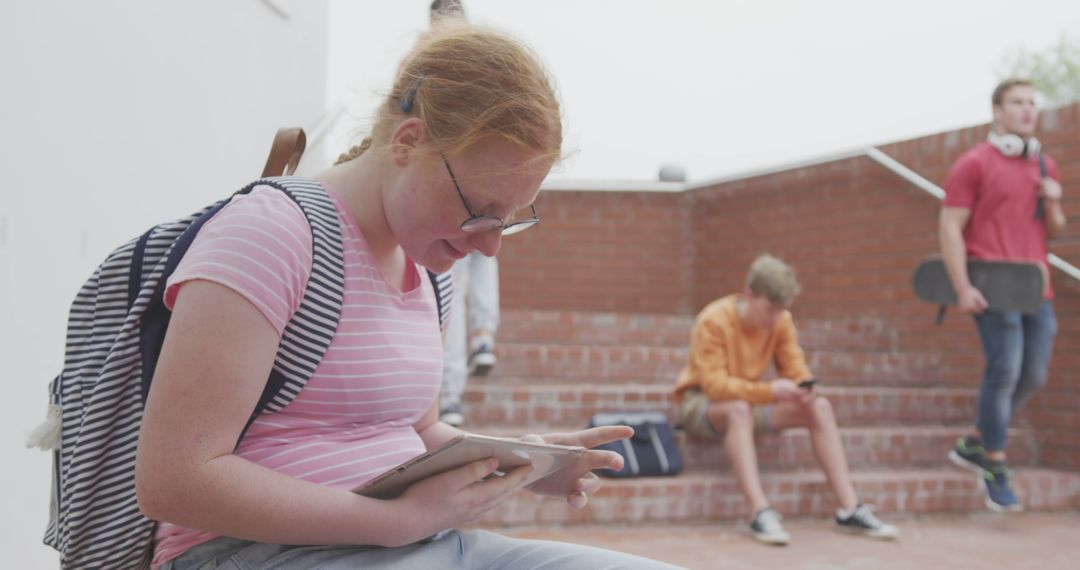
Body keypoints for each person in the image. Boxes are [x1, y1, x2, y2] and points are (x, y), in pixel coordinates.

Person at [135, 25, 679, 570]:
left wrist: (518, 462)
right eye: (480, 211)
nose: (489, 247)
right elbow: (175, 480)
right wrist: (396, 523)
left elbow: (416, 432)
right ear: (407, 142)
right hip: (256, 552)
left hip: (420, 546)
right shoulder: (270, 233)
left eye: (509, 221)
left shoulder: (426, 260)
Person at [673, 255, 899, 545]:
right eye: (770, 309)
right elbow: (715, 387)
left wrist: (804, 387)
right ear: (748, 294)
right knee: (738, 410)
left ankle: (850, 508)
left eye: (782, 310)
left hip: (749, 400)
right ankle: (760, 512)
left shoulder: (781, 321)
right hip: (701, 404)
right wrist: (770, 391)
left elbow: (794, 367)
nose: (775, 318)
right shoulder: (714, 319)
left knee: (819, 407)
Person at [940, 78, 1065, 513]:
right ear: (997, 111)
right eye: (1017, 103)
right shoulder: (973, 164)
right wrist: (962, 286)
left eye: (1032, 102)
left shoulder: (1045, 166)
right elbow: (950, 227)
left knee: (1034, 374)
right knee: (1005, 368)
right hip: (991, 286)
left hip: (1037, 287)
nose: (1028, 110)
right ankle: (994, 463)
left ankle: (975, 440)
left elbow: (1056, 231)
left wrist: (1053, 201)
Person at [423, 0, 503, 429]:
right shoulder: (479, 61)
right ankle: (483, 338)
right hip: (475, 183)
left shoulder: (424, 59)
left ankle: (452, 392)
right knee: (475, 263)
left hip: (450, 185)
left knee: (455, 280)